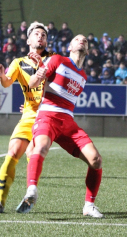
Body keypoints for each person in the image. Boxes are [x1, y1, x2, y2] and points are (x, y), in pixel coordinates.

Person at [16, 34, 104, 218]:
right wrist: (38, 75)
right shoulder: (57, 60)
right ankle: (31, 190)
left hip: (68, 123)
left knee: (96, 160)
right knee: (41, 147)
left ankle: (89, 206)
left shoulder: (83, 76)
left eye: (85, 40)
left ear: (87, 51)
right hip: (47, 116)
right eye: (78, 39)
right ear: (70, 47)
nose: (82, 40)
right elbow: (32, 84)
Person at [0, 22, 54, 215]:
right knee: (13, 152)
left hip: (47, 116)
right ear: (29, 39)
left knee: (33, 153)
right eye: (37, 34)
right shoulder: (18, 62)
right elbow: (6, 83)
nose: (41, 37)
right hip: (29, 115)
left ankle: (29, 195)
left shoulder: (54, 60)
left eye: (44, 35)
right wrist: (0, 75)